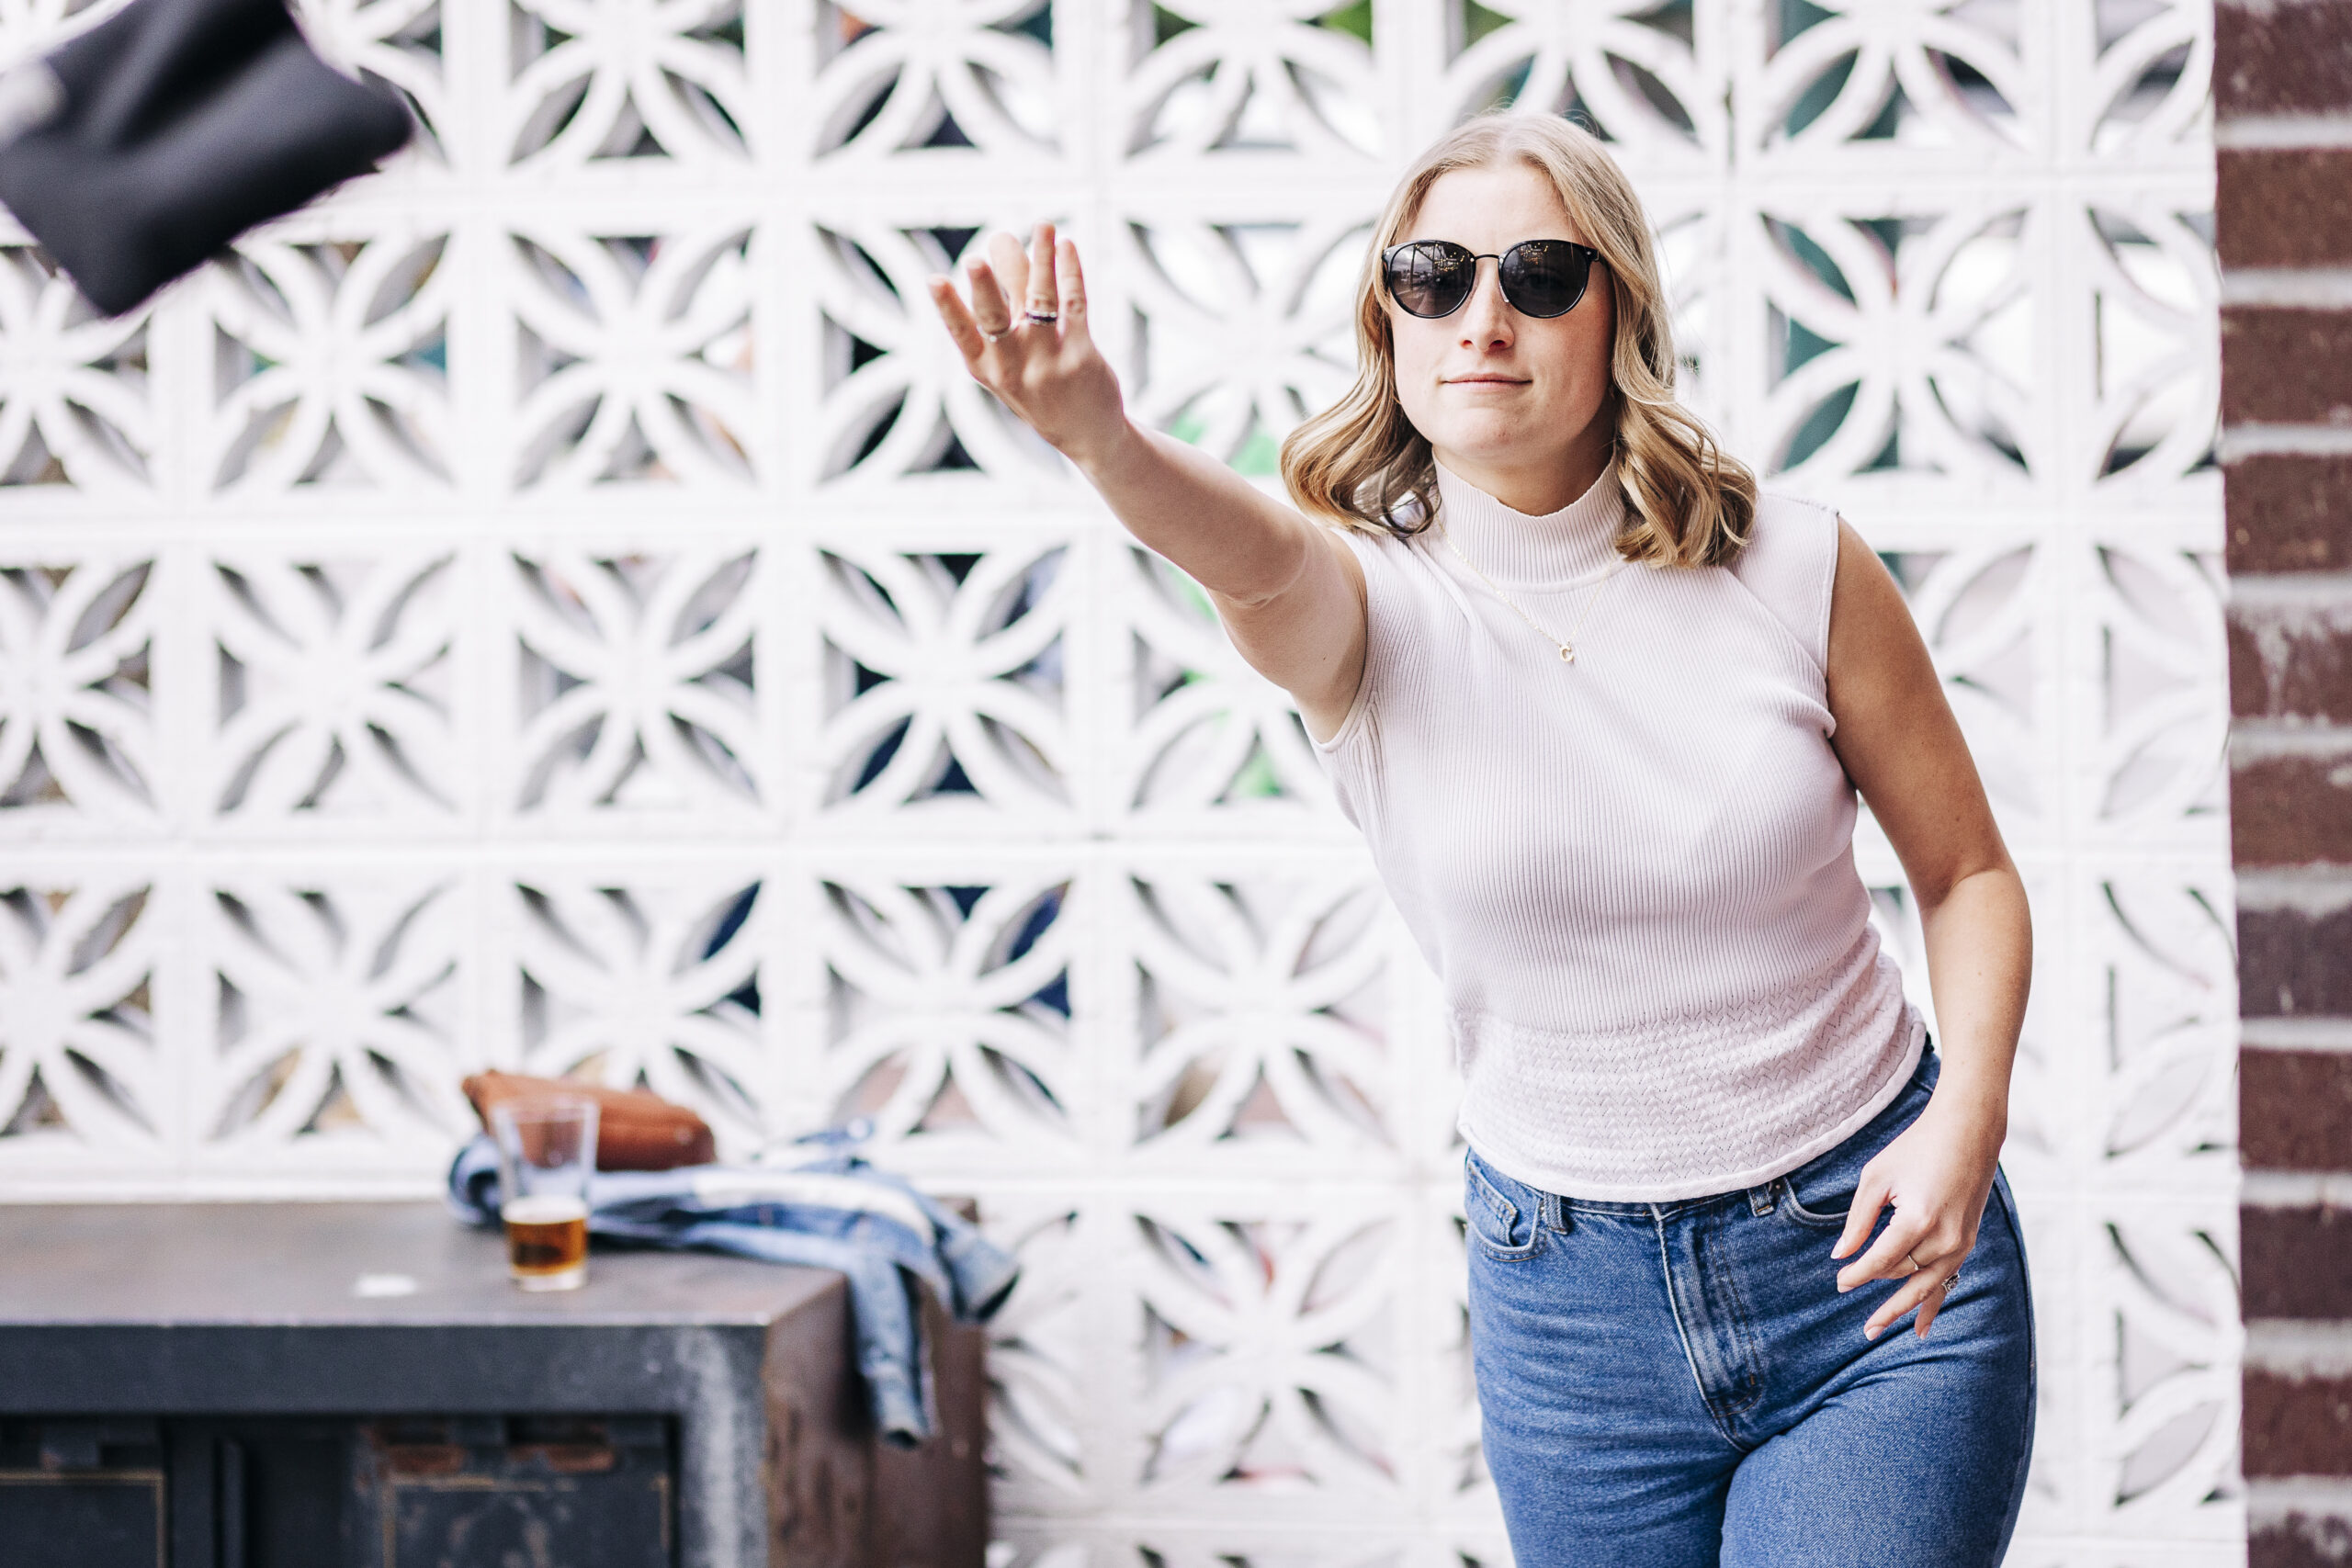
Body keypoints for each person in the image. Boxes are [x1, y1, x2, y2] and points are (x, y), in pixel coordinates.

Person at [929, 113, 2034, 1568]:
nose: (1483, 317)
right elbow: (1245, 550)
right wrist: (1103, 443)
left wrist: (1967, 1120)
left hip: (1864, 1270)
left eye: (1540, 274)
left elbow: (1967, 877)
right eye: (1434, 275)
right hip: (1570, 1321)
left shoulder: (1795, 565)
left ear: (1617, 309)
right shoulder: (1366, 614)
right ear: (1389, 319)